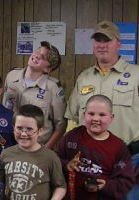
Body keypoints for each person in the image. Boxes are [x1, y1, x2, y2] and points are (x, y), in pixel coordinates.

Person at [64, 20, 139, 198]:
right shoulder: (84, 77)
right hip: (89, 161)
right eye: (98, 40)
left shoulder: (136, 75)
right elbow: (73, 118)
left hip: (128, 159)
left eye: (107, 40)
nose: (102, 45)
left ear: (118, 44)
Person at [57, 95, 135, 199]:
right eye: (91, 114)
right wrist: (67, 165)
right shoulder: (72, 136)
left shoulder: (118, 147)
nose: (95, 119)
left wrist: (106, 185)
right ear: (84, 115)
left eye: (102, 115)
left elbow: (126, 181)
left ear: (111, 118)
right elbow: (54, 161)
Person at [0, 104, 66, 200]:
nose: (23, 134)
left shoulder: (51, 157)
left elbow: (60, 186)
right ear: (13, 128)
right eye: (19, 128)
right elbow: (1, 182)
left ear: (39, 131)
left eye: (29, 129)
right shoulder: (6, 154)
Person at [2, 41, 66, 149]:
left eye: (43, 57)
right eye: (37, 51)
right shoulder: (12, 76)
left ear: (48, 69)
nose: (37, 55)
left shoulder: (52, 88)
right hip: (9, 143)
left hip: (36, 147)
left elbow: (61, 124)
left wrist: (46, 150)